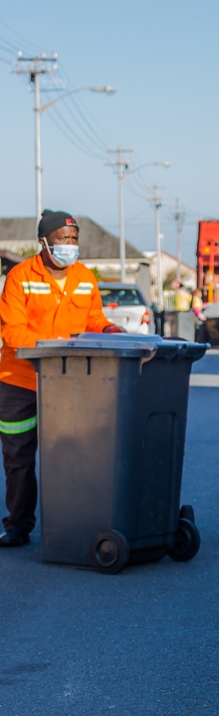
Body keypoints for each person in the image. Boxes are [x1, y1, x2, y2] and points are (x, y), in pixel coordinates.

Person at [0, 209, 124, 548]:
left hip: (69, 383)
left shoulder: (84, 276)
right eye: (62, 239)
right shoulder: (20, 277)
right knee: (19, 460)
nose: (70, 245)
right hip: (20, 381)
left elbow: (93, 318)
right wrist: (53, 349)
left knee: (73, 455)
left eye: (73, 239)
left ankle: (73, 523)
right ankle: (18, 526)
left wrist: (110, 329)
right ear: (43, 242)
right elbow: (12, 331)